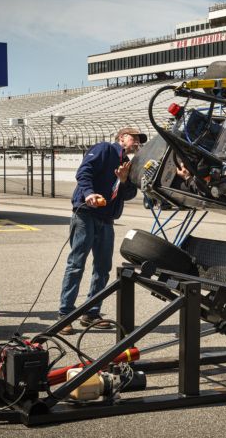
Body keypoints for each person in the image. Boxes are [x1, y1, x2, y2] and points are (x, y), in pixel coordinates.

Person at [58, 127, 147, 335]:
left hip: (106, 219)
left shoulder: (129, 164)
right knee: (76, 263)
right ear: (121, 138)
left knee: (103, 266)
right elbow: (83, 171)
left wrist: (124, 180)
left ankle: (92, 312)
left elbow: (129, 193)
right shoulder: (105, 149)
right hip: (86, 213)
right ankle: (65, 314)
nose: (136, 142)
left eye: (139, 140)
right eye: (133, 138)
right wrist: (89, 193)